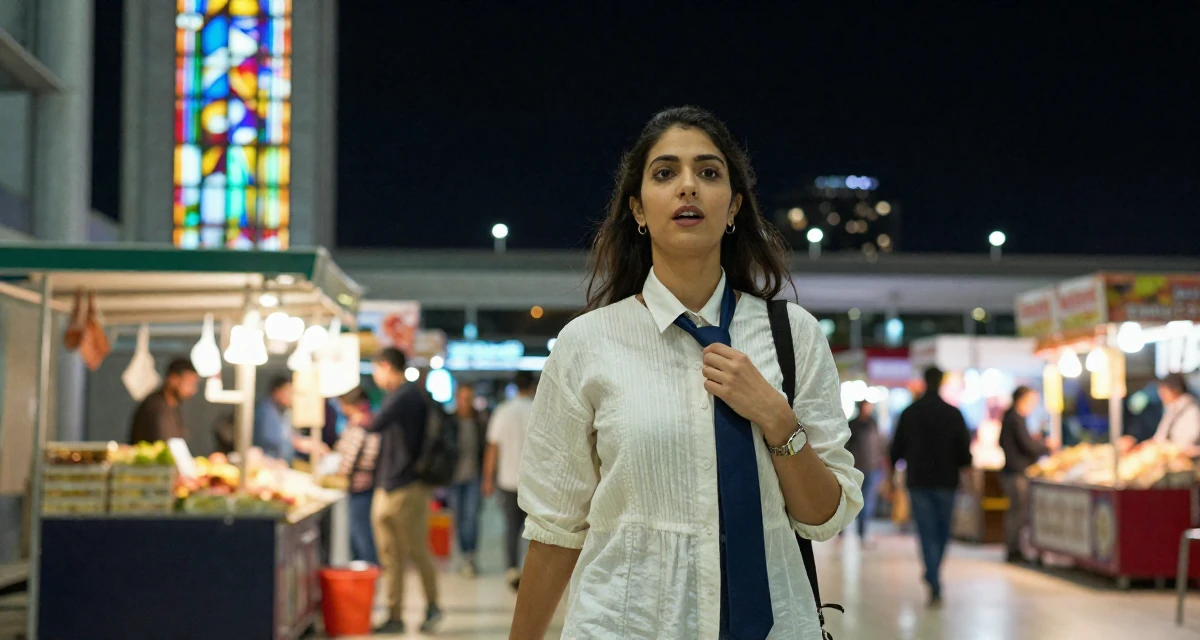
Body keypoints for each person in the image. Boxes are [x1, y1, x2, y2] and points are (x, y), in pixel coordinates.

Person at [509, 107, 863, 640]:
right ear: (638, 208)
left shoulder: (794, 336)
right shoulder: (587, 344)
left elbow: (823, 517)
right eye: (665, 172)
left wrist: (776, 419)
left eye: (709, 172)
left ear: (733, 206)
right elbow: (557, 528)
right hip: (626, 626)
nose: (688, 186)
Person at [365, 347, 442, 634]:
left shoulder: (405, 395)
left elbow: (375, 424)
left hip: (408, 486)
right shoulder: (400, 396)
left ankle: (432, 605)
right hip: (389, 484)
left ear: (386, 366)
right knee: (391, 554)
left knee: (414, 549)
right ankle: (394, 614)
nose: (375, 376)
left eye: (376, 369)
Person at [890, 366, 973, 607]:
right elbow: (964, 452)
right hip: (947, 481)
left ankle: (932, 574)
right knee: (943, 531)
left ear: (924, 381)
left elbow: (896, 449)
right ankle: (934, 575)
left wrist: (891, 476)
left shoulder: (910, 413)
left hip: (918, 480)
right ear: (942, 382)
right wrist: (967, 477)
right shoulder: (953, 414)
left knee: (926, 531)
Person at [481, 371, 537, 591]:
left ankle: (512, 569)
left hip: (507, 480)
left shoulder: (502, 411)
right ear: (532, 387)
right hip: (534, 482)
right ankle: (533, 570)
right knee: (536, 530)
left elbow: (493, 447)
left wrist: (487, 478)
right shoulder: (538, 410)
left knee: (511, 527)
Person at [998, 386, 1054, 563]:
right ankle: (1014, 550)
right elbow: (1027, 445)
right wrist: (1045, 447)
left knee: (1017, 512)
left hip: (1012, 471)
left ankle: (1014, 548)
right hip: (1017, 473)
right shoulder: (1015, 419)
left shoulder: (1011, 418)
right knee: (1018, 512)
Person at [333, 388, 380, 565]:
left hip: (360, 486)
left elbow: (349, 457)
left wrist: (338, 475)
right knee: (361, 530)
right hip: (366, 485)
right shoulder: (371, 422)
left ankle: (368, 569)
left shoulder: (360, 425)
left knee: (360, 531)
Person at [447, 384, 488, 577]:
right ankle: (463, 553)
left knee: (471, 517)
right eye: (462, 398)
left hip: (473, 477)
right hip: (453, 478)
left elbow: (486, 449)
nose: (465, 402)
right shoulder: (450, 421)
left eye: (469, 398)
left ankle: (469, 555)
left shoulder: (480, 421)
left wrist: (488, 478)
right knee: (458, 517)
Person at [129, 358, 200, 444]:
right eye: (189, 383)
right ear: (173, 379)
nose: (193, 390)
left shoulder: (173, 407)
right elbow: (165, 441)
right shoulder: (155, 406)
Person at [846, 400, 887, 545]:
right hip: (856, 468)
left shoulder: (873, 423)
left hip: (872, 467)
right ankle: (843, 530)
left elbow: (880, 446)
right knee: (851, 499)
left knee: (867, 502)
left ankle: (862, 532)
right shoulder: (853, 424)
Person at [1152, 373, 1200, 457]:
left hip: (1185, 458)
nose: (1161, 395)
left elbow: (1186, 443)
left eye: (1163, 391)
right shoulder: (1172, 408)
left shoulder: (1191, 409)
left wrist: (1166, 447)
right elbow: (1160, 436)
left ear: (1175, 390)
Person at [253, 376, 296, 462]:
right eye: (288, 391)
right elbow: (272, 439)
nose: (291, 396)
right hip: (267, 462)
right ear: (277, 392)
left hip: (281, 462)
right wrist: (298, 442)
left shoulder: (283, 411)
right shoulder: (266, 411)